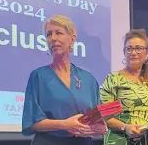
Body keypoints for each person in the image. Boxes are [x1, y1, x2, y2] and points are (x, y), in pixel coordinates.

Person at [21, 15, 107, 145]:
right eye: (49, 34)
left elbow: (100, 123)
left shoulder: (88, 79)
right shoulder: (38, 76)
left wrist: (99, 128)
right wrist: (65, 125)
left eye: (59, 33)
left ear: (72, 40)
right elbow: (32, 123)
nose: (53, 38)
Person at [100, 29, 148, 145]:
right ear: (124, 53)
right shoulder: (114, 80)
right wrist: (125, 127)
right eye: (129, 49)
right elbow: (106, 118)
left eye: (138, 48)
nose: (133, 52)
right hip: (120, 140)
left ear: (146, 53)